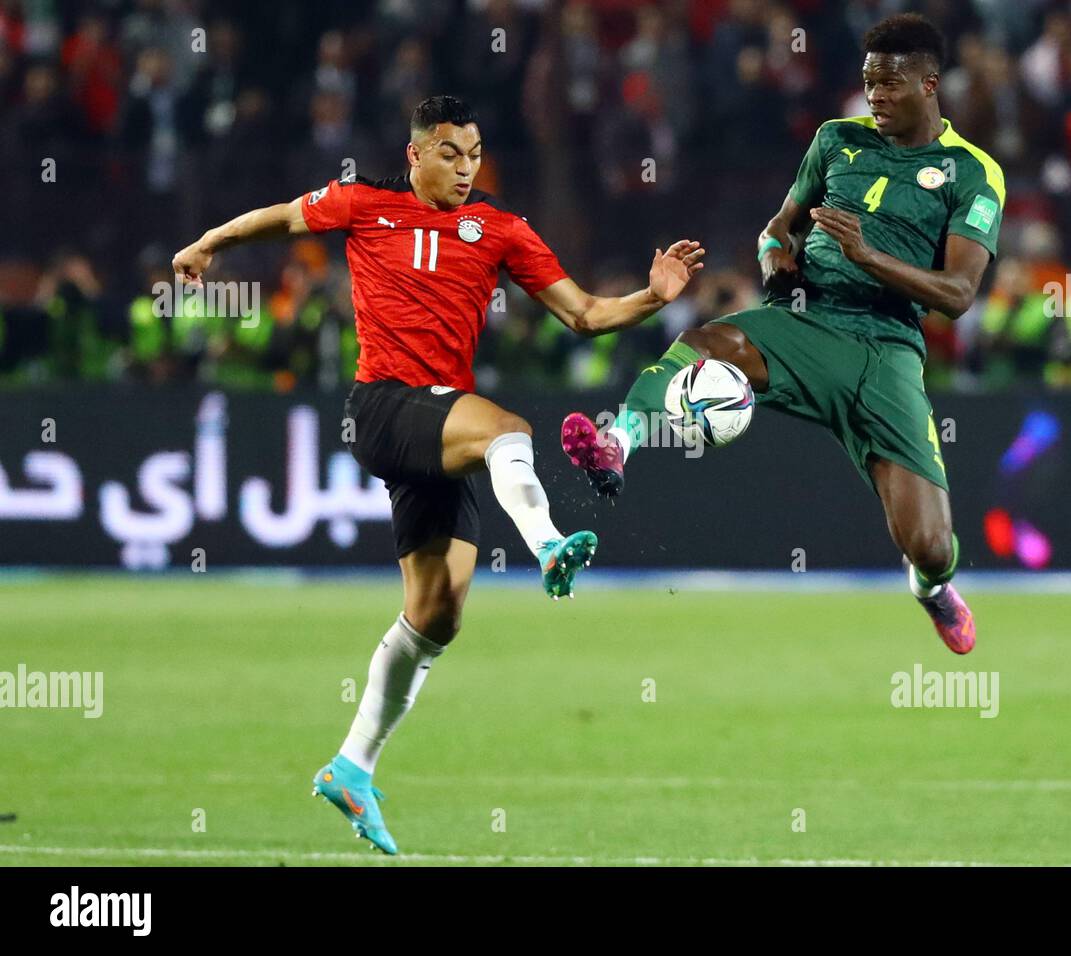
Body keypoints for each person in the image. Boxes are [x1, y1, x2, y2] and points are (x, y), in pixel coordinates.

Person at [170, 95, 704, 854]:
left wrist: (655, 297)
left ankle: (351, 767)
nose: (465, 167)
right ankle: (550, 543)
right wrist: (207, 243)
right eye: (451, 153)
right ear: (416, 153)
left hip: (438, 429)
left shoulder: (502, 229)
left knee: (437, 615)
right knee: (509, 430)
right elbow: (282, 216)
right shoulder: (363, 202)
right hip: (384, 406)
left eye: (475, 153)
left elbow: (584, 314)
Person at [562, 14, 1001, 655]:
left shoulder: (971, 171)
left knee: (929, 545)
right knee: (712, 341)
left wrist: (867, 256)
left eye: (889, 84)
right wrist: (775, 261)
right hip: (807, 322)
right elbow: (777, 229)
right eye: (868, 81)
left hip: (887, 350)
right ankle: (616, 443)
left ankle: (932, 590)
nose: (874, 95)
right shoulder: (836, 141)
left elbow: (958, 296)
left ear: (929, 83)